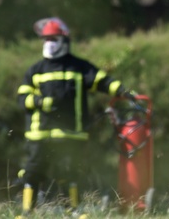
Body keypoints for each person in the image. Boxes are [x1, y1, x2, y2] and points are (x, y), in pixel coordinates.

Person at [16, 17, 133, 216]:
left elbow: (102, 81)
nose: (49, 43)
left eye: (53, 39)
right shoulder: (35, 70)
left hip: (72, 133)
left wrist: (121, 91)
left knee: (71, 172)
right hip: (40, 134)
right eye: (46, 39)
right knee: (33, 173)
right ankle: (27, 213)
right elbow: (22, 98)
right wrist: (39, 102)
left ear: (64, 41)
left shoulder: (79, 67)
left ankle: (73, 212)